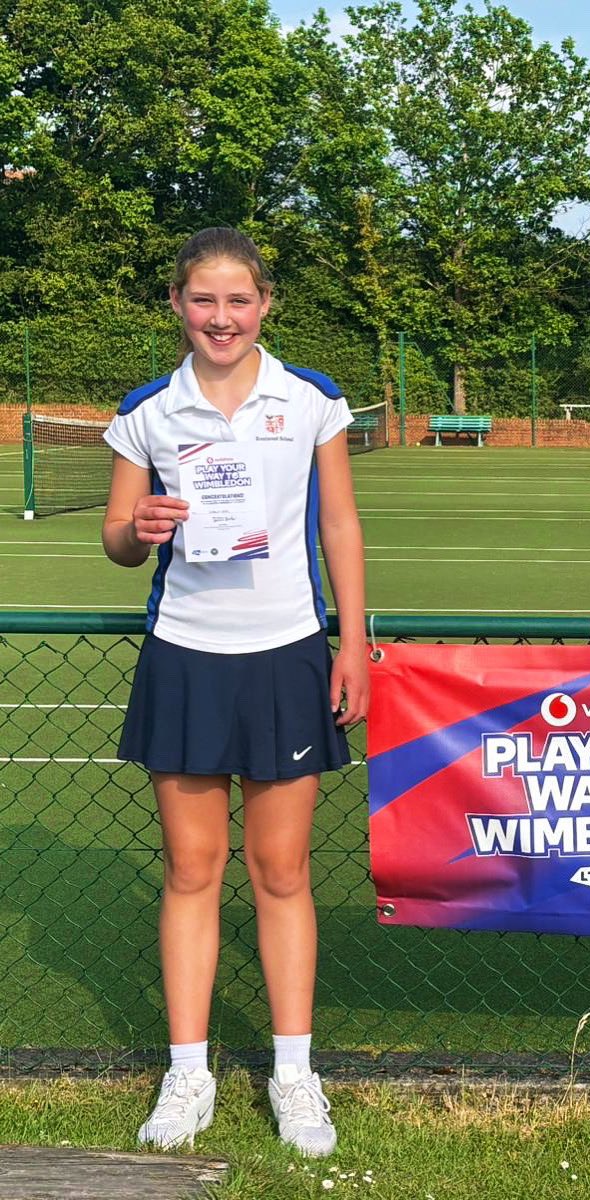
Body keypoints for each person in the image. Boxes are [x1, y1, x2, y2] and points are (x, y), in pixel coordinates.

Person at [102, 227, 369, 1157]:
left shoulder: (310, 402)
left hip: (289, 651)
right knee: (191, 871)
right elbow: (115, 539)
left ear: (266, 305)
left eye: (239, 300)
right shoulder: (147, 412)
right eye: (203, 300)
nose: (222, 317)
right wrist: (139, 527)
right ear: (176, 304)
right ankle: (189, 1074)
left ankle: (295, 1076)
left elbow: (339, 521)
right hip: (185, 654)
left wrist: (355, 641)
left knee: (284, 871)